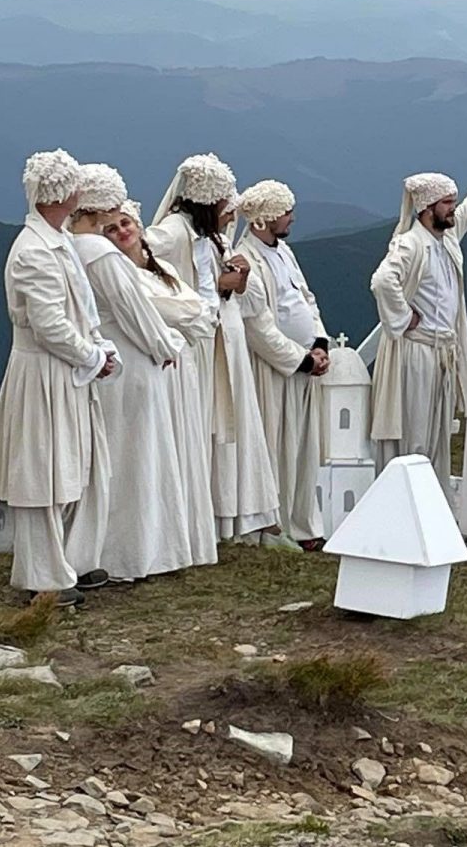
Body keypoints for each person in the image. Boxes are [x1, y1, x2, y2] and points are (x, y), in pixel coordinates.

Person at [0, 150, 118, 606]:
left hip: (64, 373)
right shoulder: (34, 251)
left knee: (68, 470)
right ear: (65, 193)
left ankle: (66, 562)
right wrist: (92, 356)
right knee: (42, 474)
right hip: (43, 373)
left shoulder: (53, 241)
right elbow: (50, 326)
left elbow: (78, 311)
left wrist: (100, 348)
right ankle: (44, 576)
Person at [147, 153, 282, 545]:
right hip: (201, 348)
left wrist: (238, 279)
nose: (230, 209)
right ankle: (202, 513)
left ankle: (226, 513)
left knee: (225, 425)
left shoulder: (211, 237)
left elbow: (238, 297)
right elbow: (147, 271)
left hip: (225, 342)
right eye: (224, 200)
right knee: (202, 425)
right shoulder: (173, 233)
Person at [370, 131, 467, 506]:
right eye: (447, 202)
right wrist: (403, 318)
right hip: (417, 353)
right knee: (414, 434)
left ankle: (432, 510)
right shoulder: (410, 242)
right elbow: (383, 280)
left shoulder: (445, 237)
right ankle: (403, 508)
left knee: (437, 437)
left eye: (452, 201)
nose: (453, 207)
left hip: (441, 352)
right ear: (427, 207)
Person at [69, 164, 193, 581]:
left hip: (104, 362)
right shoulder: (102, 255)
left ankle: (106, 548)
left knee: (114, 456)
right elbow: (136, 313)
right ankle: (134, 552)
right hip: (131, 363)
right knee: (136, 454)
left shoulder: (70, 247)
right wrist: (167, 346)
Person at [102, 198, 218, 570]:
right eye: (112, 228)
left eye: (125, 224)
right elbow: (185, 310)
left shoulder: (163, 268)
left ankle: (179, 536)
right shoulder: (123, 275)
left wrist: (190, 314)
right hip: (158, 367)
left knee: (182, 447)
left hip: (180, 368)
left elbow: (197, 316)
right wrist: (190, 314)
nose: (122, 232)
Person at [236, 180, 330, 548]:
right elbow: (258, 326)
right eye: (285, 212)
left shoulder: (284, 251)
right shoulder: (247, 259)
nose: (291, 217)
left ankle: (306, 524)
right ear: (265, 218)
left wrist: (319, 342)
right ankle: (277, 525)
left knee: (305, 450)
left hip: (305, 362)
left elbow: (305, 297)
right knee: (279, 447)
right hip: (277, 370)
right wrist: (301, 359)